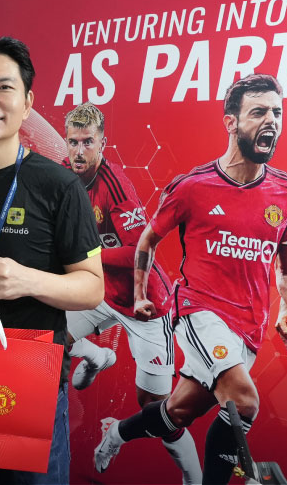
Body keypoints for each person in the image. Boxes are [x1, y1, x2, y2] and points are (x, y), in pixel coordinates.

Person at [94, 74, 287, 483]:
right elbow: (147, 239)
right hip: (198, 312)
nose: (271, 120)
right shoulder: (192, 187)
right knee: (244, 402)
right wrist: (140, 294)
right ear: (231, 122)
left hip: (248, 325)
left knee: (177, 412)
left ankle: (117, 432)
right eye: (259, 112)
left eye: (277, 112)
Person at [0, 17, 103, 484]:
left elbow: (91, 288)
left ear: (27, 103)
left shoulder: (58, 185)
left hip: (30, 380)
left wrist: (24, 279)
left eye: (4, 87)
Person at [60, 102, 202, 481]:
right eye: (73, 142)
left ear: (102, 144)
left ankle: (193, 478)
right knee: (49, 336)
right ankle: (97, 356)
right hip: (99, 292)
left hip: (144, 305)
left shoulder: (116, 186)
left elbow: (137, 249)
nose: (78, 151)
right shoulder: (62, 175)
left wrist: (84, 253)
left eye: (87, 142)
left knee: (159, 412)